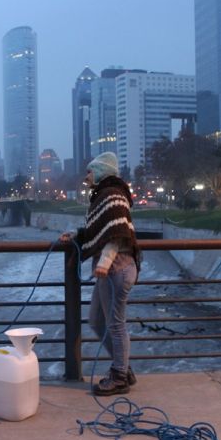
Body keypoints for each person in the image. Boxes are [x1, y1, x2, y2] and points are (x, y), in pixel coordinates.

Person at [59, 152, 140, 396]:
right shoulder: (104, 194)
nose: (86, 176)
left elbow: (117, 234)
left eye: (90, 171)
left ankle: (119, 377)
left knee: (115, 324)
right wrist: (76, 235)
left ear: (102, 171)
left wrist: (104, 262)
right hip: (110, 272)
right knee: (96, 321)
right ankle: (123, 367)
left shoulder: (113, 194)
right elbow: (100, 229)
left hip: (118, 269)